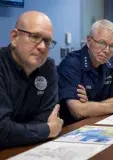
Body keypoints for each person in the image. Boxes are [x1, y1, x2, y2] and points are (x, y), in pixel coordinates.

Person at [0, 11, 64, 149]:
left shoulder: (48, 67)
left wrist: (17, 132)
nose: (42, 47)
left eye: (47, 41)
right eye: (34, 37)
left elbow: (47, 116)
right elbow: (1, 130)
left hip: (30, 149)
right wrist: (46, 130)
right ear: (14, 37)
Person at [58, 19, 113, 126]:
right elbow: (78, 111)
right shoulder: (71, 64)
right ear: (89, 41)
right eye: (102, 43)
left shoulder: (112, 63)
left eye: (112, 46)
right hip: (72, 127)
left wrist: (89, 106)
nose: (107, 50)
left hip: (100, 122)